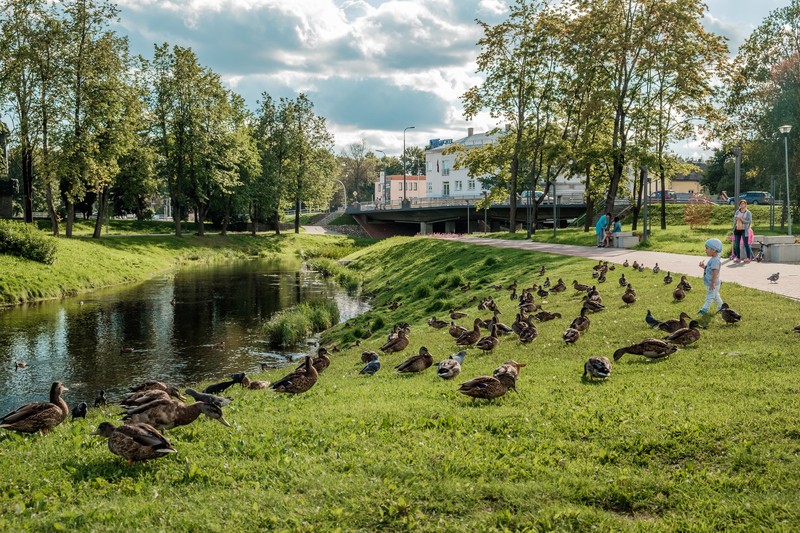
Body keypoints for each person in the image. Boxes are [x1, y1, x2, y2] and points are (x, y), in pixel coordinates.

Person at [698, 238, 724, 314]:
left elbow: (716, 272)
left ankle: (704, 310)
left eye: (707, 248)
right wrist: (704, 267)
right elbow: (711, 270)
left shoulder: (715, 260)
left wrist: (712, 282)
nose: (705, 250)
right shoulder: (713, 259)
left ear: (713, 250)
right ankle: (721, 307)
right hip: (713, 283)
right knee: (716, 295)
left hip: (713, 283)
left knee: (709, 297)